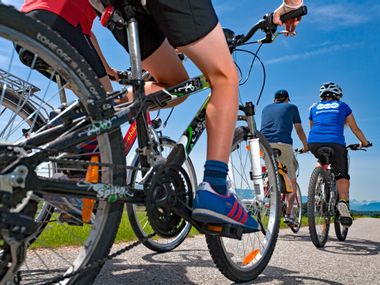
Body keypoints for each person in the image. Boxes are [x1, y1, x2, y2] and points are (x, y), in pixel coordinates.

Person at [20, 0, 119, 93]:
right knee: (106, 99)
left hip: (21, 28)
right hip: (58, 21)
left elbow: (88, 34)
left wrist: (108, 70)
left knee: (90, 97)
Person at [308, 82, 371, 227]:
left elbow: (313, 128)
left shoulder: (313, 107)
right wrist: (364, 142)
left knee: (321, 158)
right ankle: (342, 202)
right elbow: (355, 129)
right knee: (342, 175)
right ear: (337, 95)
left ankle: (318, 182)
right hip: (336, 143)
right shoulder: (343, 106)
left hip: (314, 142)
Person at [260, 89, 308, 225]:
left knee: (271, 170)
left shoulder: (265, 108)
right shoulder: (292, 107)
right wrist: (306, 145)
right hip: (283, 144)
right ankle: (289, 214)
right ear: (287, 99)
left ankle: (268, 189)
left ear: (275, 100)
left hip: (264, 144)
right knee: (292, 181)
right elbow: (299, 129)